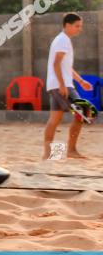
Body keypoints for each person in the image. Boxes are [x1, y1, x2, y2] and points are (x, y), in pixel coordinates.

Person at [42, 12, 92, 160]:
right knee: (83, 112)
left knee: (55, 119)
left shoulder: (62, 40)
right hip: (61, 85)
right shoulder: (63, 40)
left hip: (56, 84)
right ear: (67, 25)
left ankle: (48, 154)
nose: (80, 29)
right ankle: (71, 150)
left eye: (80, 26)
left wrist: (81, 81)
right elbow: (56, 63)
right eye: (77, 26)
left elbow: (66, 67)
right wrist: (63, 85)